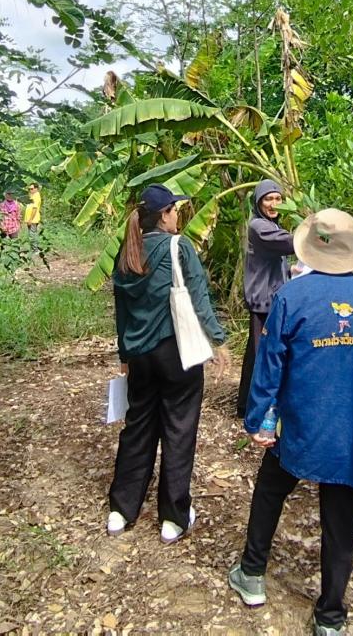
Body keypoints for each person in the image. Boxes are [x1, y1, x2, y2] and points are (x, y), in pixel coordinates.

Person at [228, 209, 353, 636]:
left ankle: (252, 574)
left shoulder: (293, 295)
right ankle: (330, 617)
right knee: (340, 521)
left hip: (301, 426)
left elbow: (269, 366)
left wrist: (259, 420)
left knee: (271, 490)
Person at [108, 183, 232, 542]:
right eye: (174, 210)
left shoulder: (127, 252)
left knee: (138, 426)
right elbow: (198, 297)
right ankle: (173, 517)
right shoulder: (179, 247)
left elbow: (121, 310)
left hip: (140, 355)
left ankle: (121, 509)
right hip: (177, 352)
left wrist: (124, 355)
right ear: (163, 216)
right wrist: (218, 340)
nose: (178, 215)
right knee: (178, 430)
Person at [236, 178, 296, 418]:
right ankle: (255, 408)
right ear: (258, 202)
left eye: (278, 199)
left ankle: (246, 404)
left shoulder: (271, 225)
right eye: (268, 199)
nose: (273, 204)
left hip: (271, 300)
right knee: (262, 354)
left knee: (256, 353)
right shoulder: (259, 227)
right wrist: (315, 230)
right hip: (263, 303)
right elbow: (289, 243)